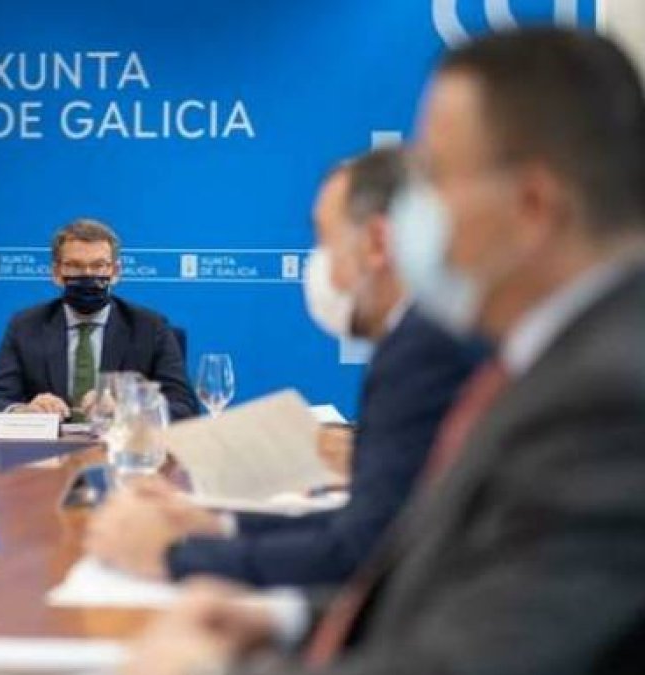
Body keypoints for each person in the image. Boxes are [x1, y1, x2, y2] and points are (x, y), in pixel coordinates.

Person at [121, 27, 645, 675]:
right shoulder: (556, 361)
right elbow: (465, 593)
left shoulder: (611, 400)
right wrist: (285, 621)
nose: (413, 215)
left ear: (533, 205)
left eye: (435, 176)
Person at [85, 148, 481, 585]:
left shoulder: (422, 349)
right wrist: (216, 521)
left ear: (376, 244)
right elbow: (367, 523)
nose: (319, 264)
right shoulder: (430, 333)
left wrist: (174, 556)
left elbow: (355, 553)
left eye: (325, 240)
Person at [0, 218, 197, 421]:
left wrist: (124, 409)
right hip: (49, 453)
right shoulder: (26, 326)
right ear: (56, 273)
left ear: (115, 272)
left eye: (99, 266)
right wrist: (24, 411)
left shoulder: (150, 327)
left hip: (120, 451)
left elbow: (184, 407)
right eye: (74, 266)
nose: (87, 275)